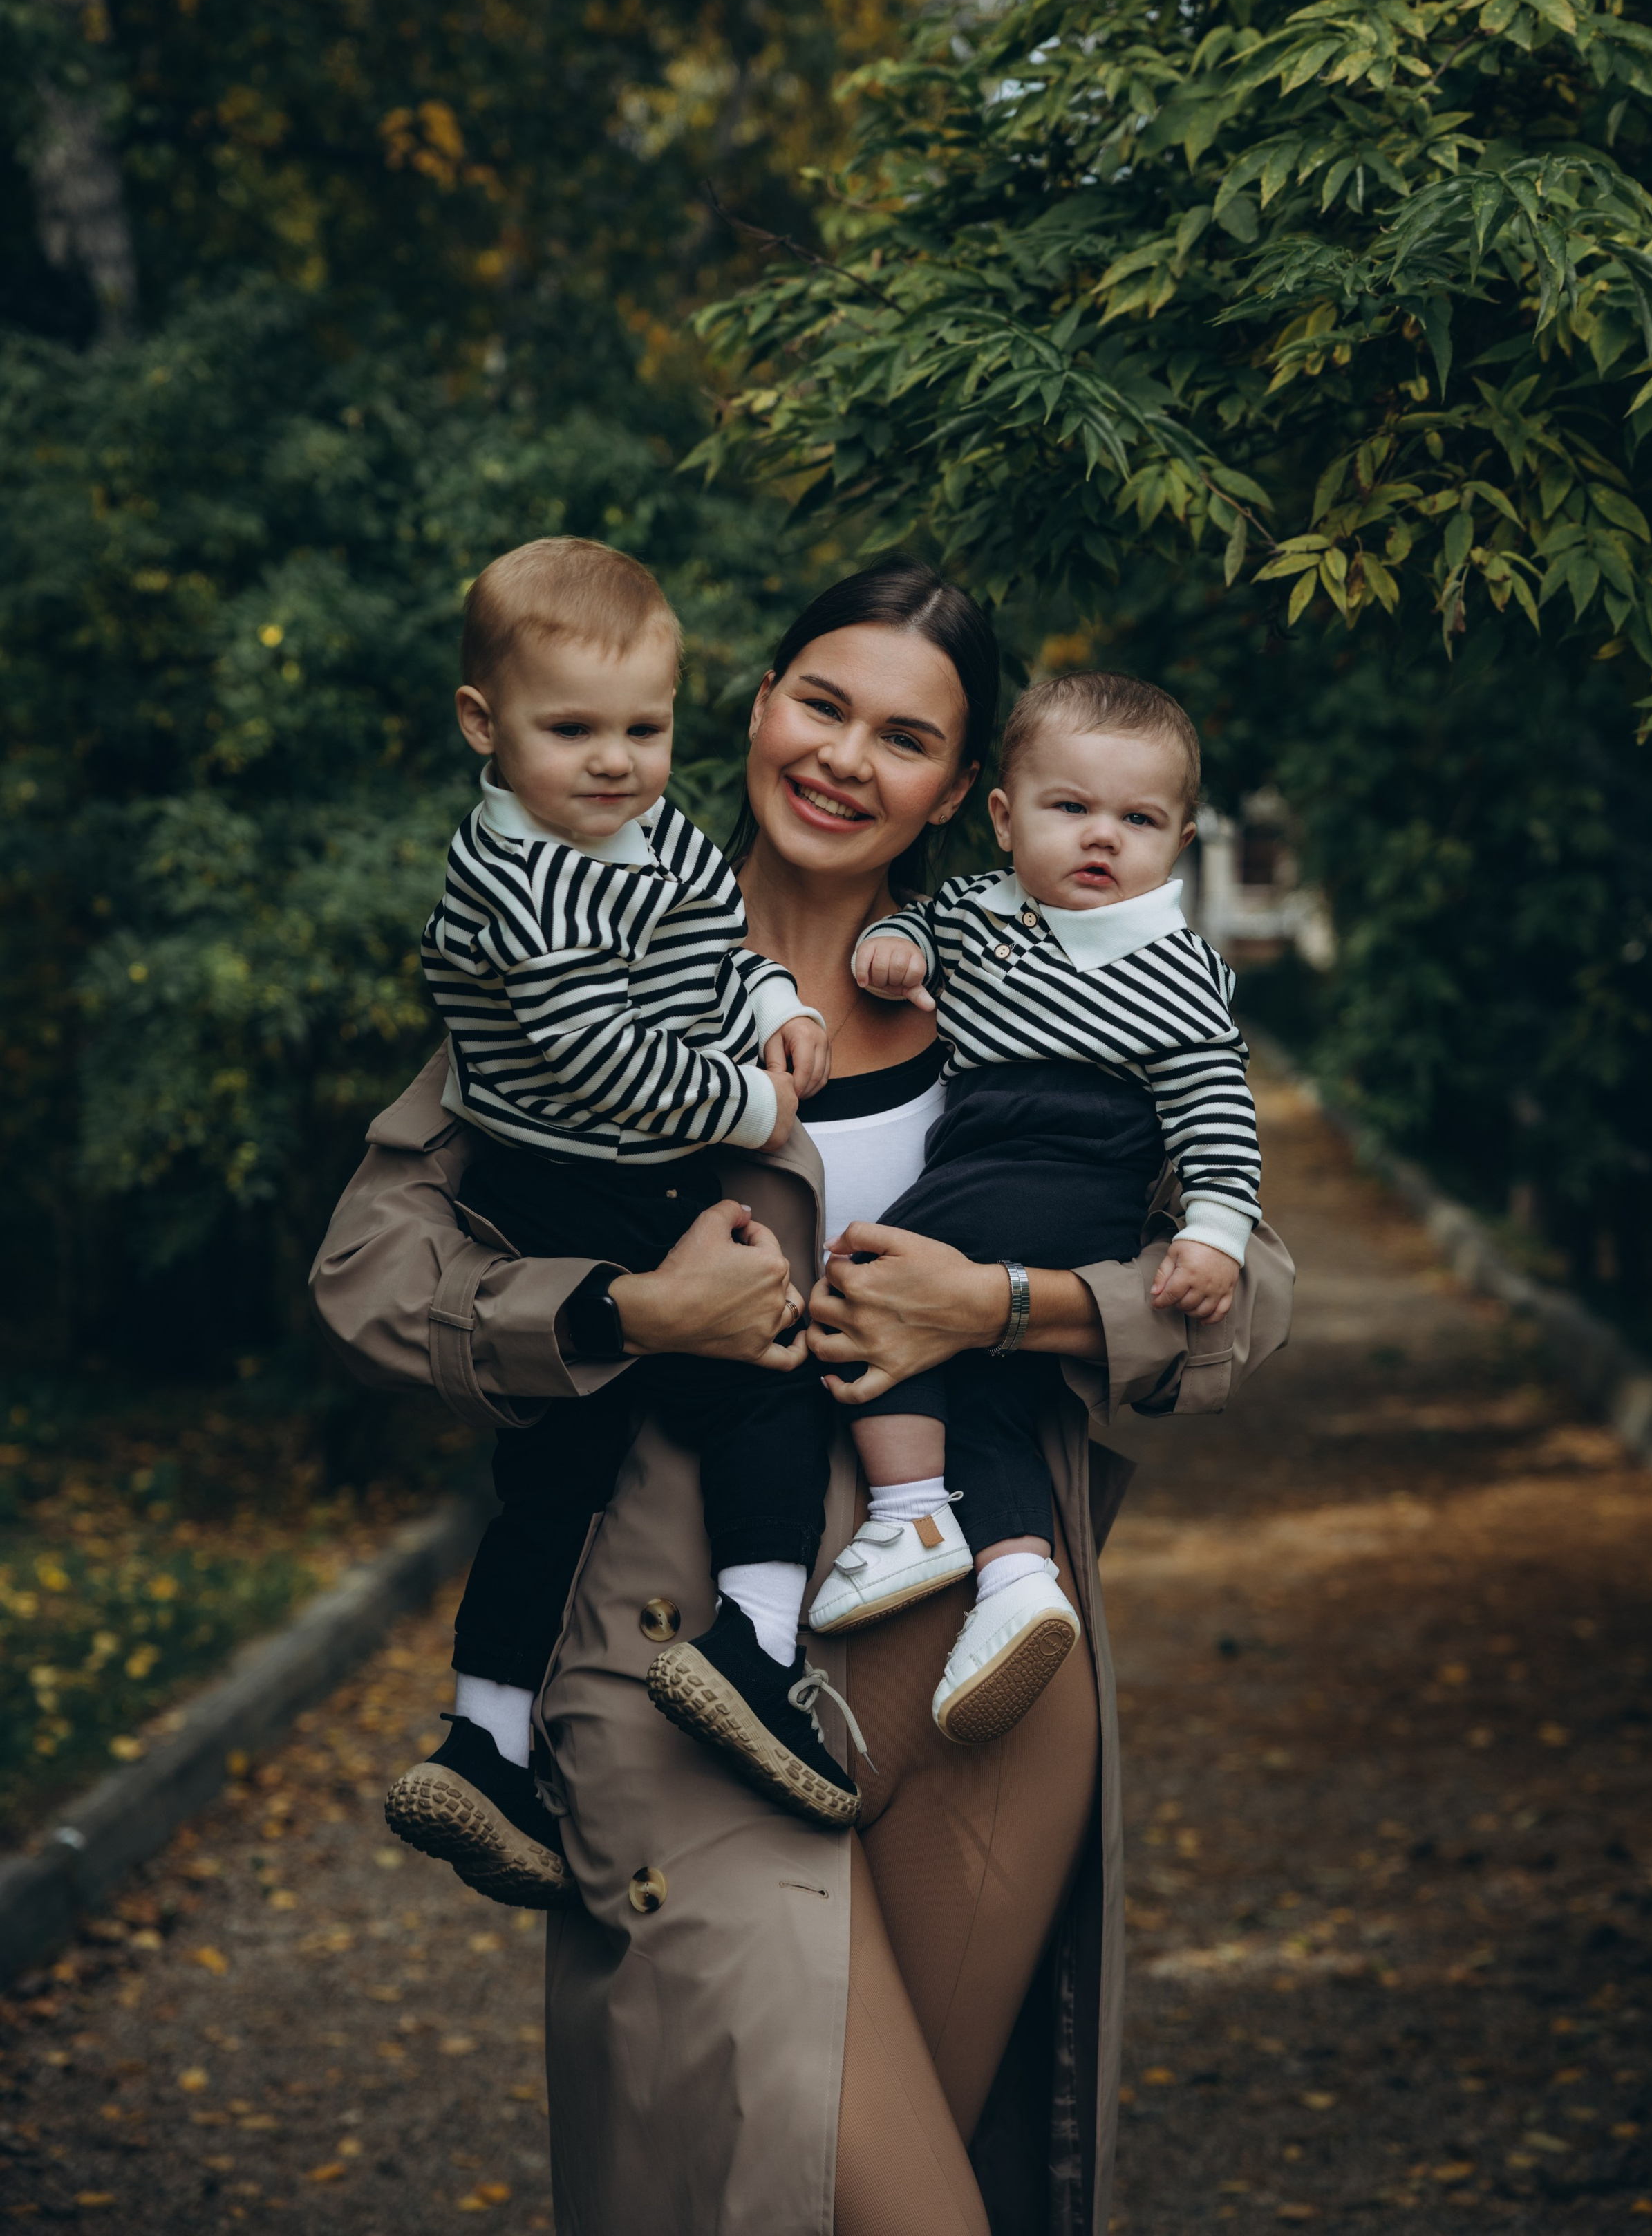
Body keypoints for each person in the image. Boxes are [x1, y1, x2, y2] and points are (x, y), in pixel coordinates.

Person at [310, 560, 1294, 2236]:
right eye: (820, 704)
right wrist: (631, 1308)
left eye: (905, 737)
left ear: (961, 789)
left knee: (915, 2193)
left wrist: (998, 1306)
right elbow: (371, 1276)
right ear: (756, 707)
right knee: (860, 2204)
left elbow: (1241, 1291)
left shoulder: (1033, 980)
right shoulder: (587, 963)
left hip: (981, 1677)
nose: (846, 758)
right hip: (683, 1679)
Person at [387, 534, 853, 1912]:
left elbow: (715, 938)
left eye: (642, 728)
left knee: (567, 1469)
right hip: (558, 1185)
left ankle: (500, 1733)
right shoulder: (518, 882)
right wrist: (753, 1111)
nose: (615, 761)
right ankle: (724, 1660)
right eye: (571, 729)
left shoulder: (649, 834)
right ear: (485, 724)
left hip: (615, 1171)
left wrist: (773, 1007)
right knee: (756, 1388)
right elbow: (606, 1063)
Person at [805, 669, 1263, 1751]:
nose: (1103, 838)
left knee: (869, 1283)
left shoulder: (1179, 970)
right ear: (1005, 819)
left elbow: (1216, 1112)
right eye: (1072, 809)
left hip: (1070, 1149)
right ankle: (1017, 1576)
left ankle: (909, 1509)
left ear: (1181, 843)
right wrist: (897, 949)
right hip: (997, 1145)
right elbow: (917, 937)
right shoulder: (976, 912)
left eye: (1138, 820)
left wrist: (1214, 1234)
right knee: (990, 1381)